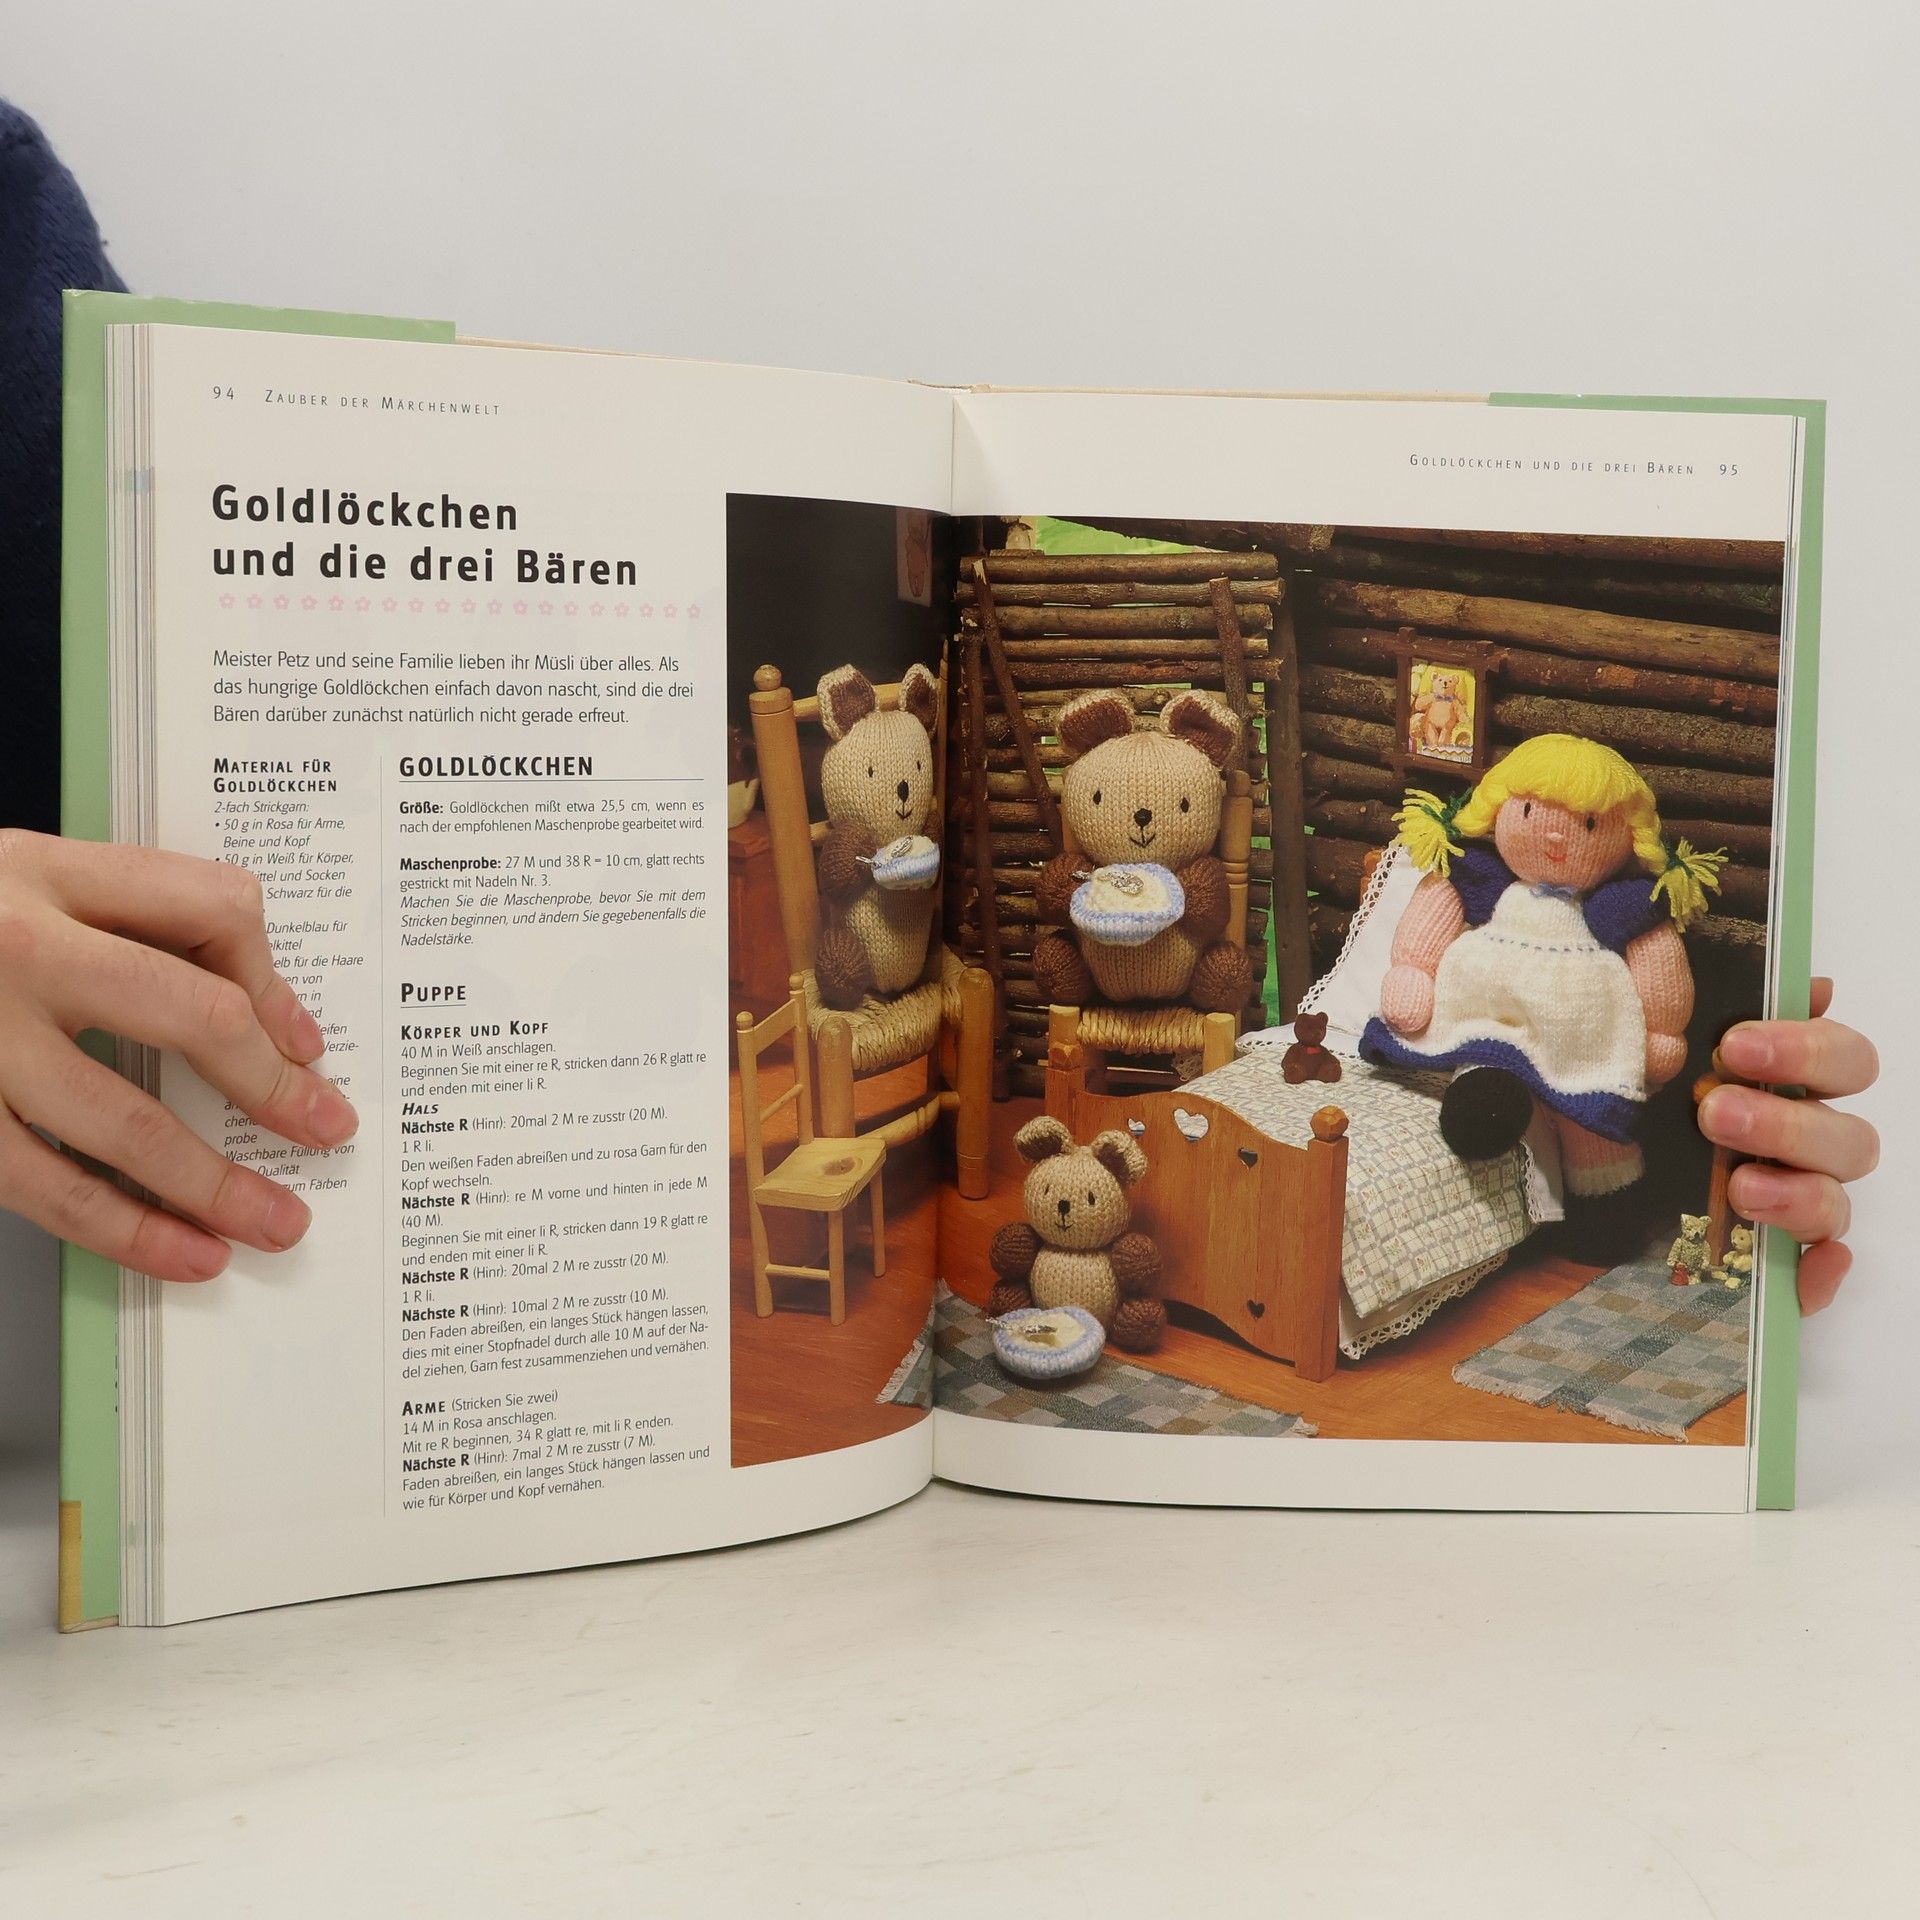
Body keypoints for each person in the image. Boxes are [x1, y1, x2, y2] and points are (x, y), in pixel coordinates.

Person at [0, 102, 1882, 1307]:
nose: (1537, 833)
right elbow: (1395, 959)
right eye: (1524, 811)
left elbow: (1633, 1004)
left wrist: (1695, 1100)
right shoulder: (1443, 879)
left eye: (1566, 818)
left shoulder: (1608, 905)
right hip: (206, 1316)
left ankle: (1556, 1160)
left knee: (1536, 1078)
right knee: (1342, 1029)